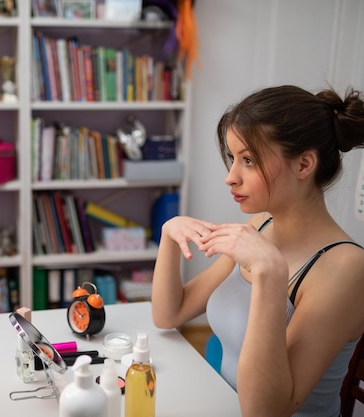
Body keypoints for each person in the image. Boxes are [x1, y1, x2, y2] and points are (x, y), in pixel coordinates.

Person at [151, 85, 364, 417]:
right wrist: (169, 235)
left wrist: (269, 275)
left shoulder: (345, 268)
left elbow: (266, 410)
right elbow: (169, 314)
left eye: (248, 160)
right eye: (232, 158)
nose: (230, 178)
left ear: (304, 164)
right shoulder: (262, 225)